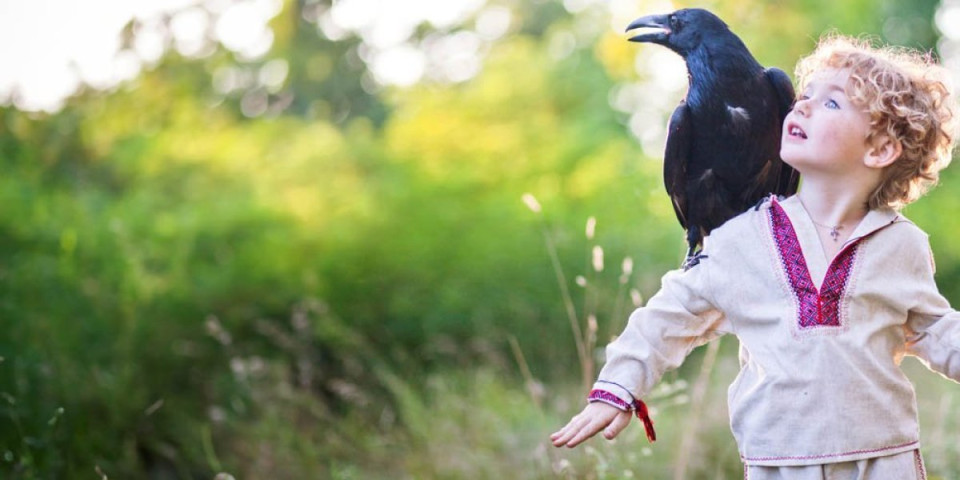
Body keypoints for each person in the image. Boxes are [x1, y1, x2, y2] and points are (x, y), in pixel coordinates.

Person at [550, 34, 959, 479]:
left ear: (880, 150)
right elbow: (668, 317)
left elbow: (934, 327)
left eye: (832, 104)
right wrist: (617, 386)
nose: (800, 107)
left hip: (885, 460)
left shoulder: (902, 244)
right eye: (805, 96)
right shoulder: (740, 241)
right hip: (779, 463)